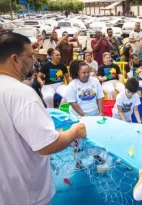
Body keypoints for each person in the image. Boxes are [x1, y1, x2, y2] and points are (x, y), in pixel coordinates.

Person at [0, 32, 86, 205]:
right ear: (15, 59)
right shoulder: (21, 94)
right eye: (30, 56)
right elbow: (47, 145)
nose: (33, 61)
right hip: (26, 195)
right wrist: (73, 131)